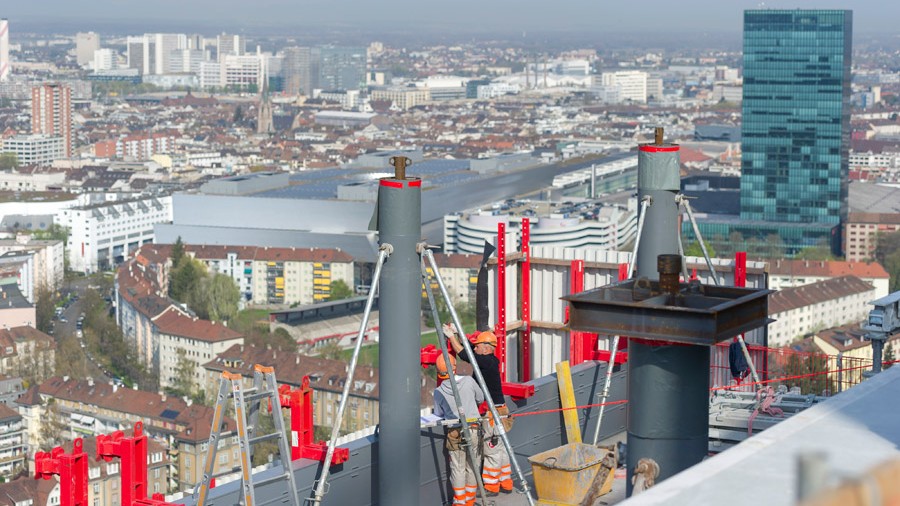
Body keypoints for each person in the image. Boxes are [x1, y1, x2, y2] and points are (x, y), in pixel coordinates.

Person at [443, 324, 514, 496]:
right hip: (500, 411)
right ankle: (505, 481)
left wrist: (452, 337)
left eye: (478, 345)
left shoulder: (485, 362)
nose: (475, 347)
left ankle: (491, 487)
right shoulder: (490, 361)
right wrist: (458, 332)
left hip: (493, 414)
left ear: (486, 348)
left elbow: (465, 354)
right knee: (501, 449)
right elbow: (470, 351)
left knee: (491, 450)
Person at [433, 353, 484, 506]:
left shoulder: (439, 391)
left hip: (454, 432)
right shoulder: (468, 381)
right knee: (472, 464)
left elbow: (438, 413)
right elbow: (480, 398)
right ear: (454, 366)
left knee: (457, 467)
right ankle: (470, 500)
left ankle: (460, 501)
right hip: (473, 428)